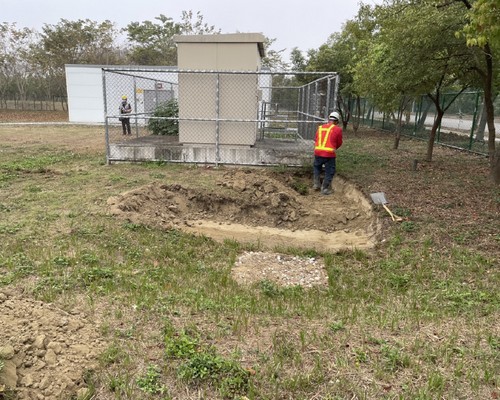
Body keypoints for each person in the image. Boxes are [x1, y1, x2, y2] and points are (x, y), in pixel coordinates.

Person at [313, 111, 343, 195]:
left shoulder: (320, 127)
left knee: (317, 167)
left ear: (329, 119)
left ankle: (316, 184)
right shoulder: (337, 129)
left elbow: (316, 139)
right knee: (329, 170)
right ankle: (324, 188)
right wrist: (333, 148)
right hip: (329, 154)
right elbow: (339, 142)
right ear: (336, 121)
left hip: (318, 152)